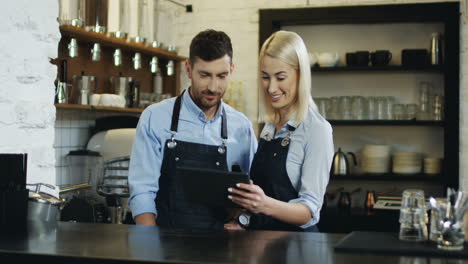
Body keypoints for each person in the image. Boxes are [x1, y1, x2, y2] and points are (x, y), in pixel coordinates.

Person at [128, 29, 257, 229]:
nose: (213, 87)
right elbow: (142, 191)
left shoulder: (242, 127)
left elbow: (252, 196)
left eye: (221, 76)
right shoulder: (155, 117)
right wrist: (148, 245)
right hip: (166, 244)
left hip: (222, 249)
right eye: (204, 75)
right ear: (188, 69)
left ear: (231, 70)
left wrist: (243, 221)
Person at [226, 30, 334, 232]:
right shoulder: (269, 127)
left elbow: (309, 212)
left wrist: (263, 204)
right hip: (264, 246)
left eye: (280, 77)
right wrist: (244, 218)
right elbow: (263, 200)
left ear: (300, 75)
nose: (271, 88)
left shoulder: (317, 130)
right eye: (265, 77)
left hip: (299, 250)